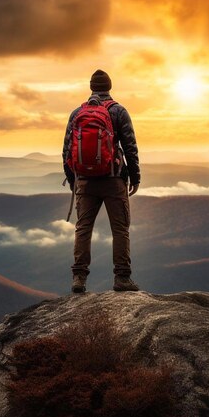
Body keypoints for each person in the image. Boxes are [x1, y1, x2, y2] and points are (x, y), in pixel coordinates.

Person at [63, 69, 140, 293]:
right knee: (120, 229)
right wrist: (134, 177)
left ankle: (79, 278)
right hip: (113, 180)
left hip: (85, 182)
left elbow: (66, 150)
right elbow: (130, 147)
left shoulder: (77, 113)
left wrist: (73, 180)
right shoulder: (118, 111)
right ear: (109, 86)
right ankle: (122, 278)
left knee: (83, 228)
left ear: (91, 88)